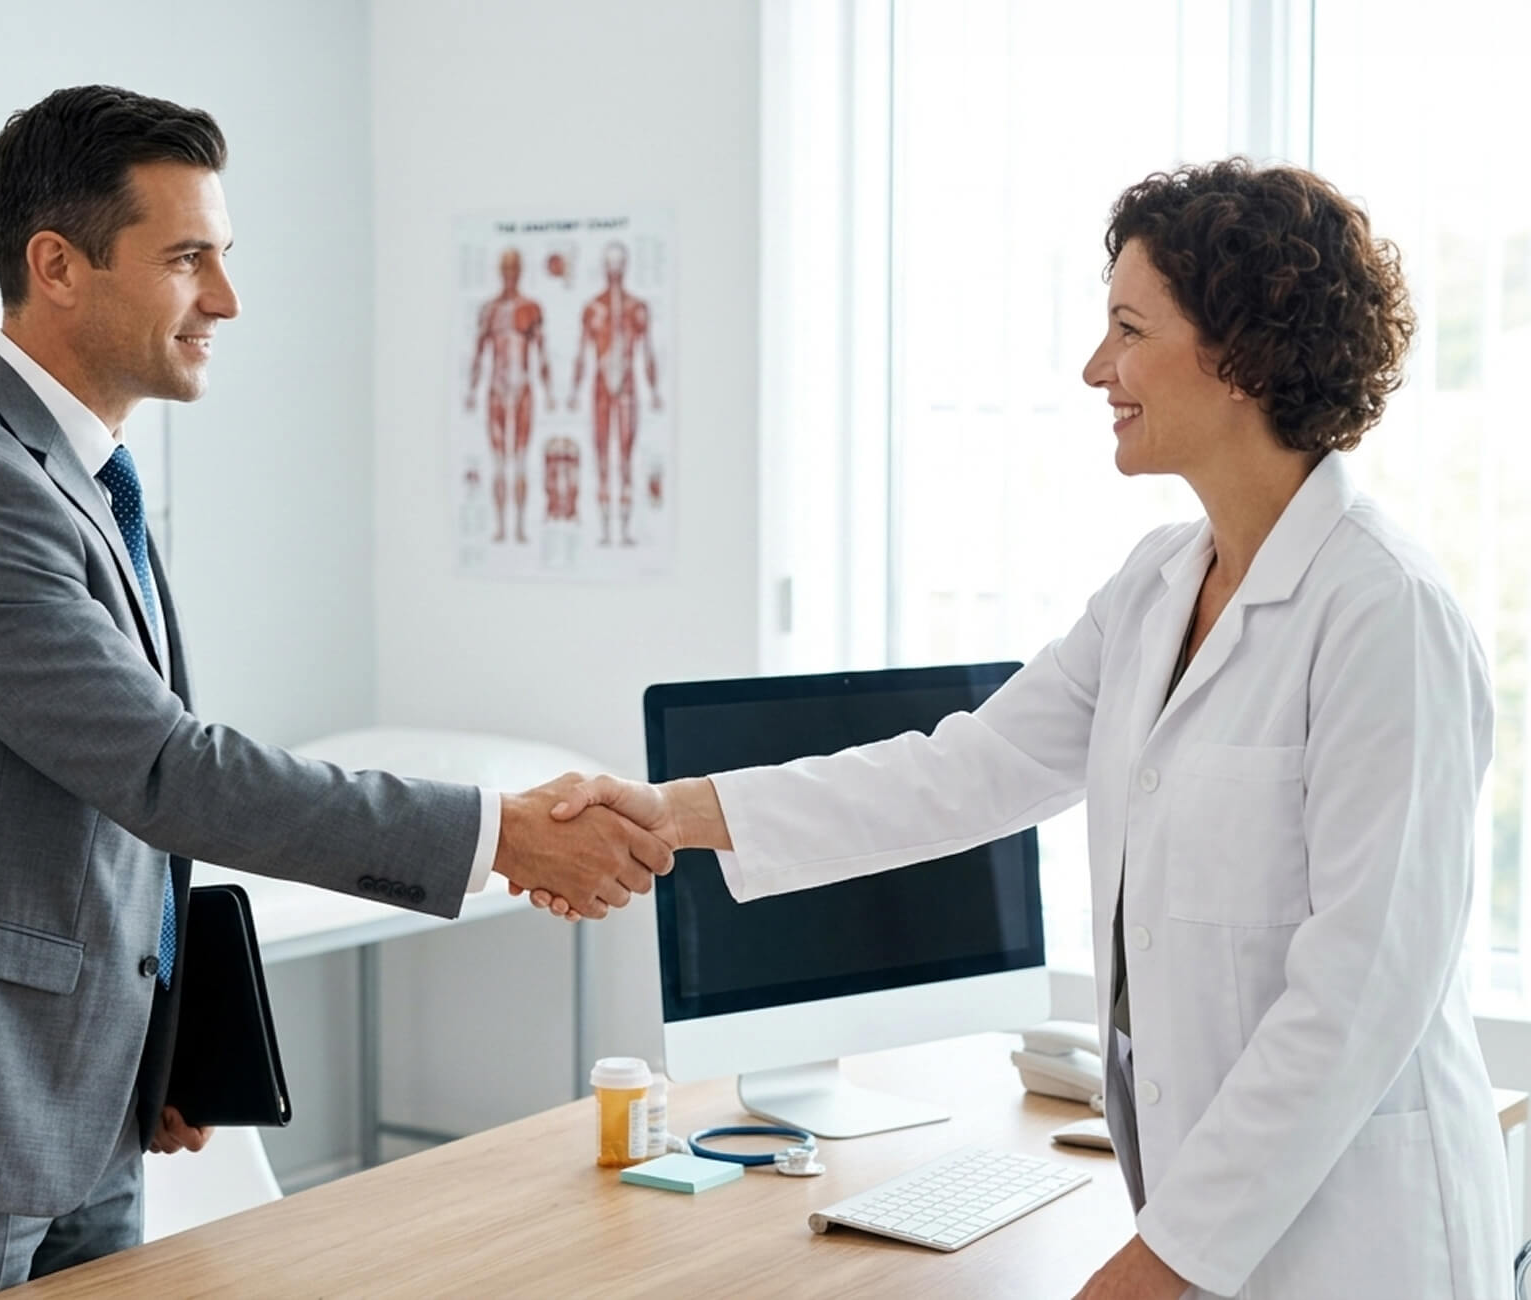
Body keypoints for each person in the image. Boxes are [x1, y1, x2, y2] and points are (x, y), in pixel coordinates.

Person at [534, 160, 1514, 1297]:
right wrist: (674, 812)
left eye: (1127, 328)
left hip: (1360, 1245)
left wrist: (1161, 1261)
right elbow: (964, 771)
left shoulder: (1383, 613)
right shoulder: (1156, 585)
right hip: (1218, 1226)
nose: (1096, 367)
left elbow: (1356, 994)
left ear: (1238, 353)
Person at [0, 85, 668, 1297]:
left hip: (83, 1097)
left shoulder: (79, 475)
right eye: (188, 258)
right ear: (58, 266)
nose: (227, 299)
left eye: (223, 255)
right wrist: (498, 832)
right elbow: (165, 769)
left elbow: (98, 803)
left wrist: (159, 1039)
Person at [568, 241, 660, 546]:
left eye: (619, 264)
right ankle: (606, 529)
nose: (615, 271)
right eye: (610, 264)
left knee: (625, 458)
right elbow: (582, 353)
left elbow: (647, 352)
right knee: (602, 457)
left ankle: (626, 529)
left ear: (626, 266)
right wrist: (573, 390)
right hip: (600, 387)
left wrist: (655, 390)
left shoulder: (637, 309)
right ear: (605, 268)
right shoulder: (593, 309)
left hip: (628, 388)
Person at [464, 247, 554, 544]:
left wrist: (550, 391)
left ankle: (519, 528)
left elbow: (541, 353)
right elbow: (479, 353)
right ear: (499, 272)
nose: (510, 275)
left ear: (521, 272)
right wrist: (472, 390)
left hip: (523, 388)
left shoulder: (531, 308)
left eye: (515, 269)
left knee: (520, 459)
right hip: (496, 388)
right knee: (500, 461)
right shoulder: (489, 310)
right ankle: (502, 527)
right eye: (506, 269)